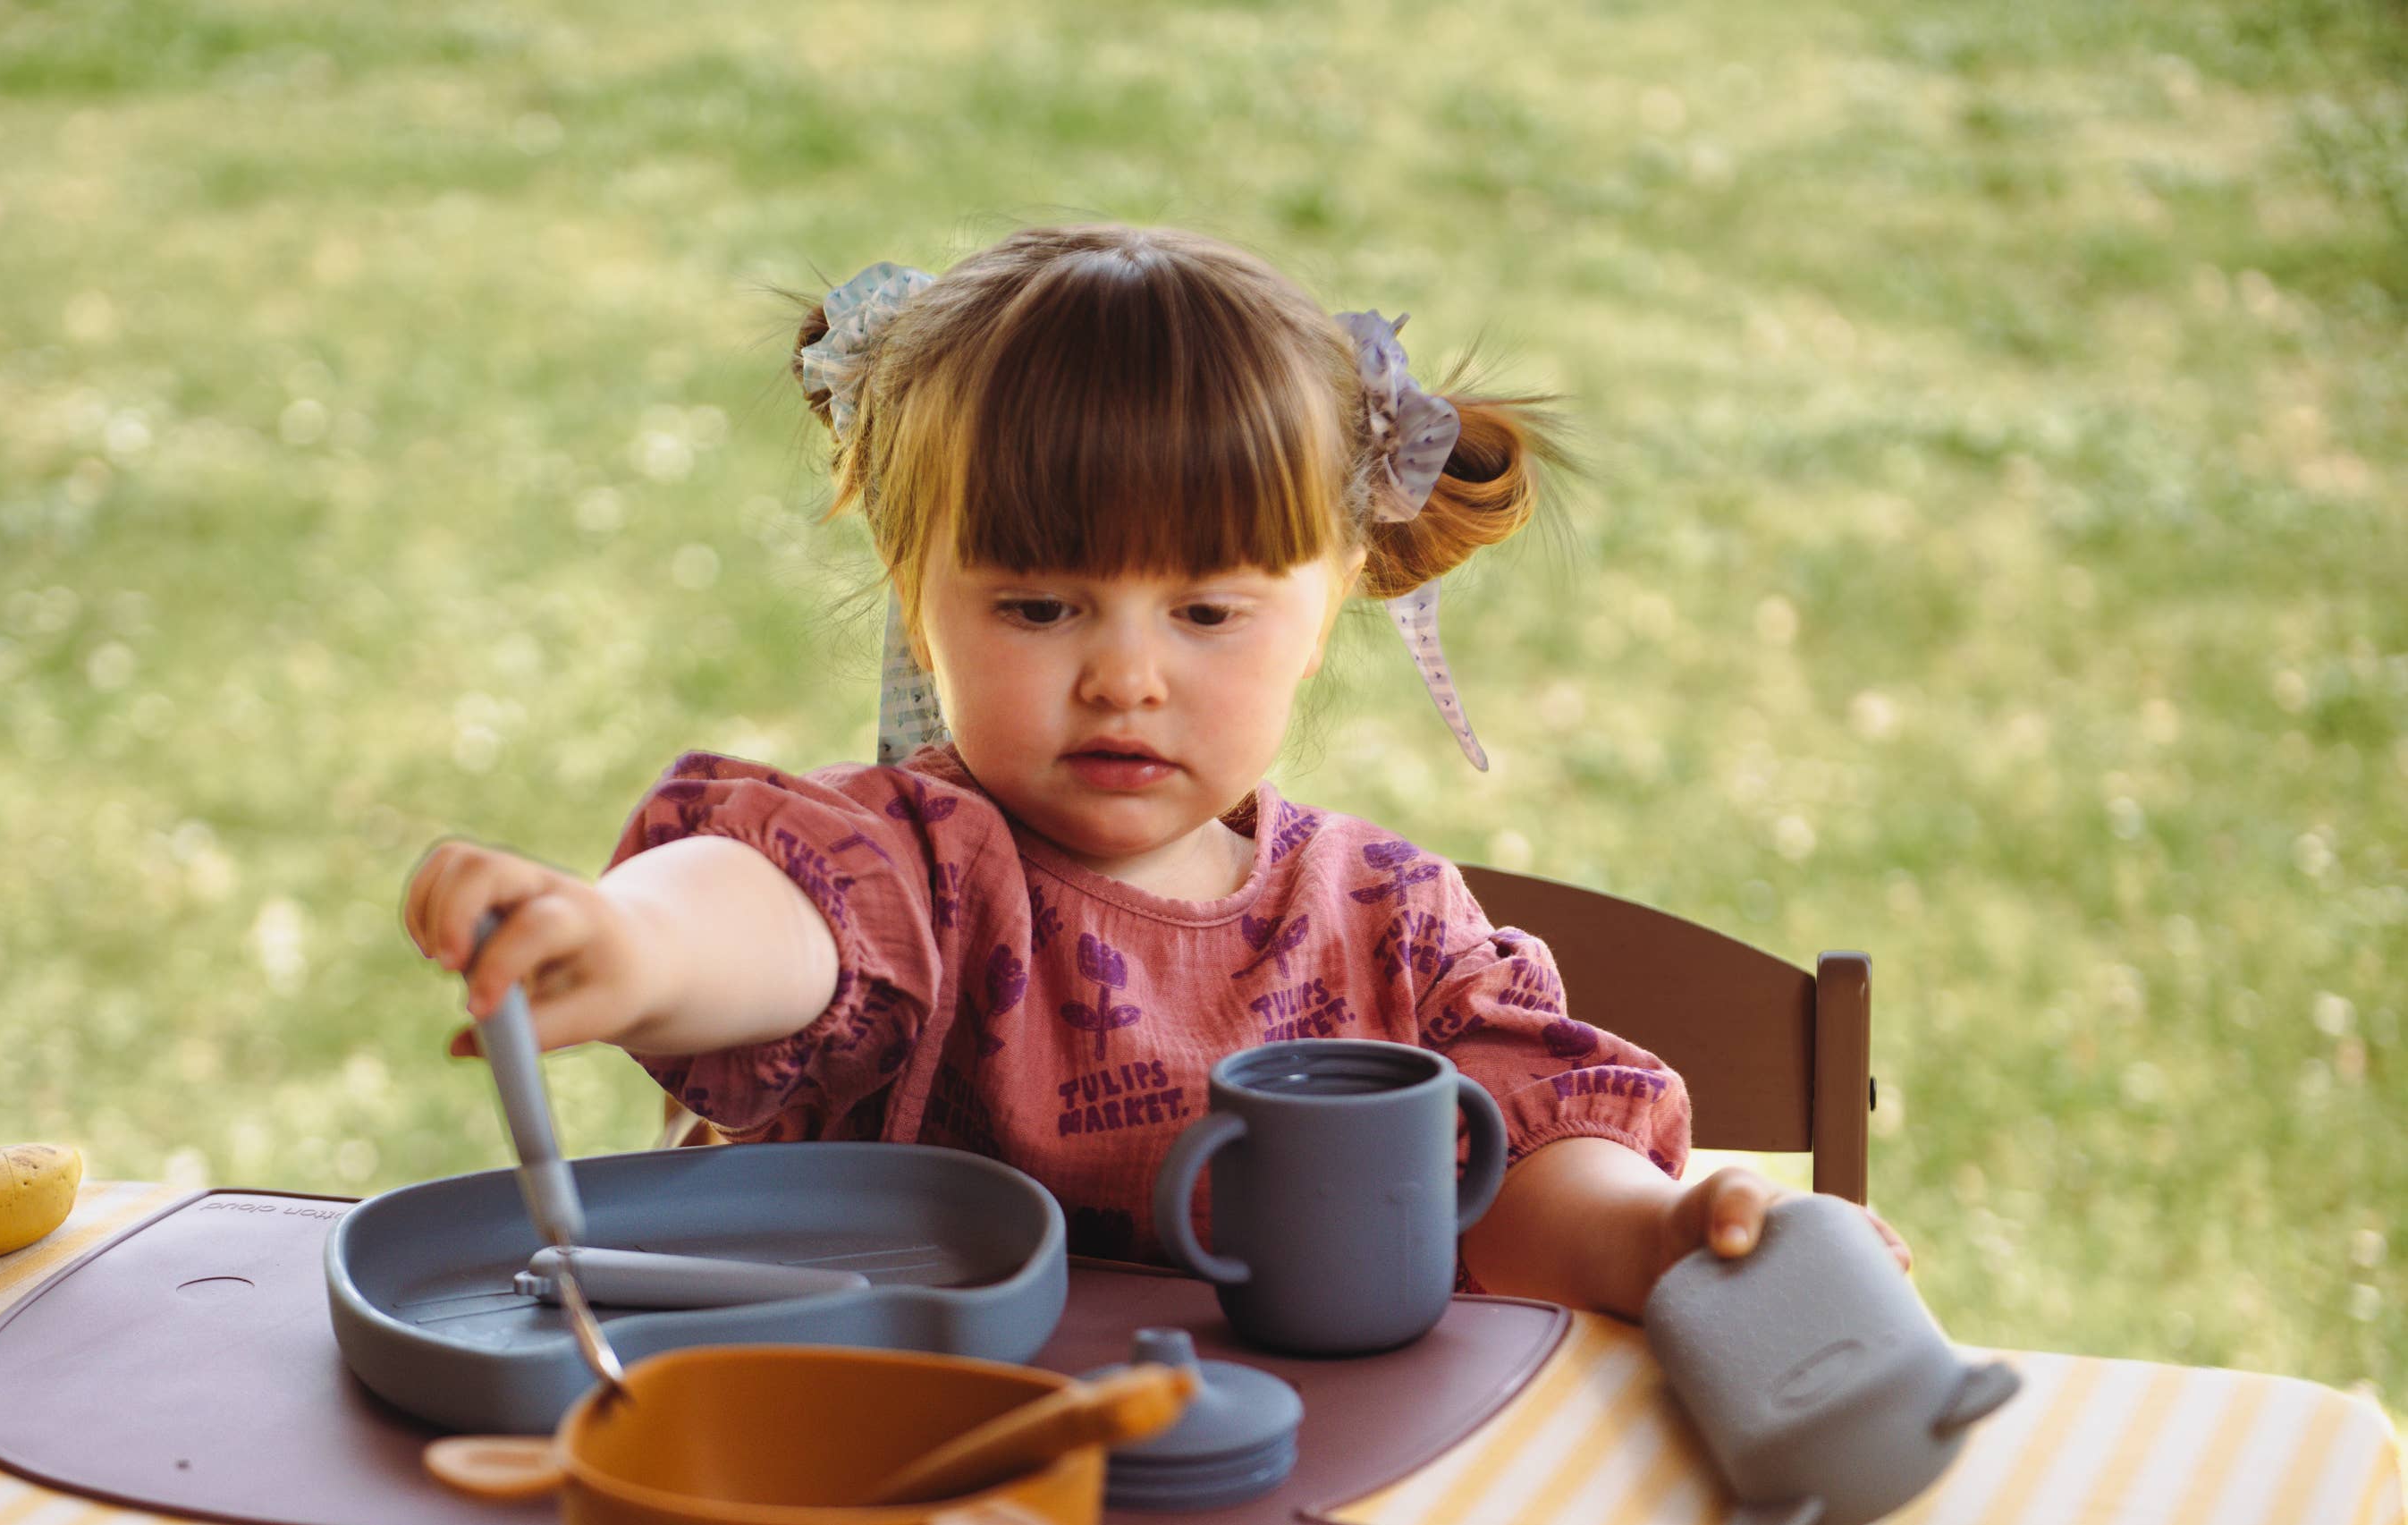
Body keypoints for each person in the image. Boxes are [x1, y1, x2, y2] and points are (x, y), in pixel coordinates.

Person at [400, 223, 1908, 1321]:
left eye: (1204, 610)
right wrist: (632, 940)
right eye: (1039, 605)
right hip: (908, 1481)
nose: (1124, 673)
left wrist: (1660, 1237)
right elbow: (774, 914)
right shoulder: (922, 869)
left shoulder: (1385, 922)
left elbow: (1516, 1169)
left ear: (1328, 605)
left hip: (1298, 1512)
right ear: (916, 592)